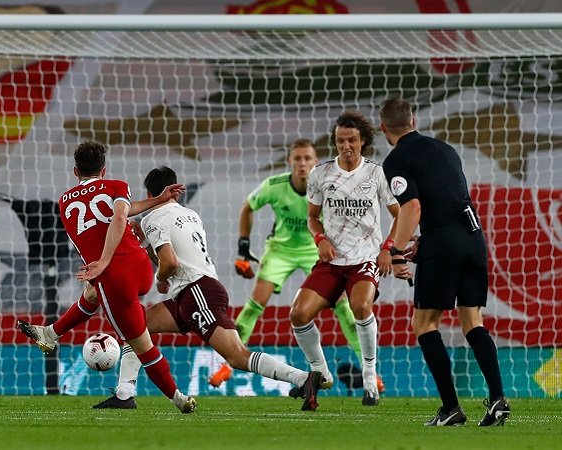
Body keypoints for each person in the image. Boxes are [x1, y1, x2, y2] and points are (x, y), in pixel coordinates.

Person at [81, 165, 324, 411]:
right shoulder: (191, 215)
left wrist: (160, 279)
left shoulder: (154, 218)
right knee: (137, 327)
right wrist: (147, 248)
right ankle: (125, 394)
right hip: (196, 290)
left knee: (236, 356)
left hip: (196, 292)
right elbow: (174, 256)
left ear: (150, 192)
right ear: (174, 191)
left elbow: (170, 263)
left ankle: (302, 379)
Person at [17, 140, 196, 414]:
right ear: (104, 169)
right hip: (140, 268)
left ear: (75, 171)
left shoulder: (64, 201)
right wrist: (158, 200)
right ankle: (50, 334)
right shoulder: (116, 186)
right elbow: (121, 212)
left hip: (115, 278)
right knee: (91, 293)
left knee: (140, 345)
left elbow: (117, 219)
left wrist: (102, 262)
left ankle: (178, 399)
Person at [209, 138, 384, 394]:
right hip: (280, 251)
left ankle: (371, 372)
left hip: (318, 249)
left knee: (346, 308)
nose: (302, 164)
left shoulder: (328, 184)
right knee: (255, 303)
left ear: (315, 161)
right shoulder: (275, 185)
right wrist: (243, 248)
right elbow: (248, 207)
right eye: (297, 158)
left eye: (307, 159)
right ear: (290, 161)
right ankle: (229, 362)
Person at [379, 98, 510, 427]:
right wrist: (423, 242)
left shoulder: (397, 159)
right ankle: (497, 399)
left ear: (383, 129)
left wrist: (395, 252)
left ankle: (451, 408)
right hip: (474, 238)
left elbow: (412, 208)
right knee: (473, 321)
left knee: (424, 324)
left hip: (443, 241)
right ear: (414, 119)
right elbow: (448, 199)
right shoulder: (445, 149)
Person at [289, 111, 400, 406]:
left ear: (362, 141)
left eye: (351, 140)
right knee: (298, 314)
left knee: (360, 305)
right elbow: (312, 217)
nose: (346, 146)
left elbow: (399, 215)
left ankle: (369, 379)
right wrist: (320, 238)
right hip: (331, 261)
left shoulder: (376, 174)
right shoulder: (320, 174)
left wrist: (388, 247)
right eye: (340, 141)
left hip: (364, 259)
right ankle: (322, 373)